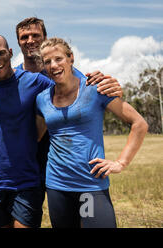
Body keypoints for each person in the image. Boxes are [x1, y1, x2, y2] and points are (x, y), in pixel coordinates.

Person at [14, 16, 123, 224]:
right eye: (24, 37)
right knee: (28, 217)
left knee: (84, 216)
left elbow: (94, 92)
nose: (30, 40)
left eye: (35, 35)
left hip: (68, 162)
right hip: (30, 157)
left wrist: (114, 88)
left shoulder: (68, 73)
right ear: (18, 42)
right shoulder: (15, 77)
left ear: (44, 37)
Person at [35, 37, 148, 228]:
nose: (53, 65)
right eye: (47, 62)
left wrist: (121, 162)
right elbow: (35, 137)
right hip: (57, 186)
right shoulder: (42, 99)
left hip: (90, 186)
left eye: (59, 59)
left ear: (70, 58)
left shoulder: (95, 89)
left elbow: (139, 124)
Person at [0, 33, 53, 228]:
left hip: (26, 180)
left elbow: (68, 86)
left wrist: (96, 81)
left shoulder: (36, 82)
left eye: (1, 53)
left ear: (10, 53)